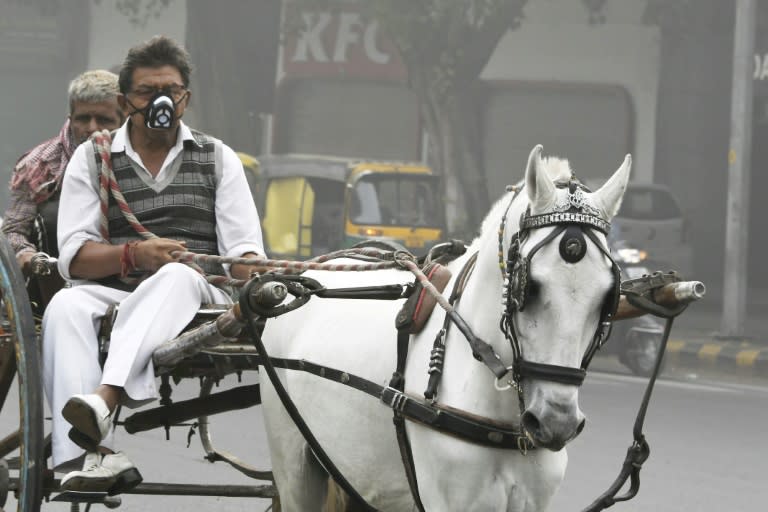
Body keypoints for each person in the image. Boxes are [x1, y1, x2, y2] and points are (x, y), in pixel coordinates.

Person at [42, 36, 265, 494]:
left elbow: (243, 250)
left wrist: (256, 271)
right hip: (117, 289)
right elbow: (75, 258)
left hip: (197, 294)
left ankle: (104, 400)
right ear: (126, 102)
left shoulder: (218, 157)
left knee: (177, 275)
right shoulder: (94, 157)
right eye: (147, 92)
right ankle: (76, 462)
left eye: (172, 89)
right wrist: (134, 254)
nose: (161, 100)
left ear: (186, 97)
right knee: (65, 308)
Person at [2, 70, 124, 273]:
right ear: (70, 118)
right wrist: (29, 256)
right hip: (54, 276)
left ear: (123, 119)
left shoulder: (142, 159)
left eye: (104, 120)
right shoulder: (38, 165)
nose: (92, 128)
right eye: (83, 119)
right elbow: (14, 230)